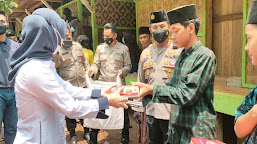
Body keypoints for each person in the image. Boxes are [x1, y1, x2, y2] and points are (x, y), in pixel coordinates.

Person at [7, 8, 128, 144]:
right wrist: (107, 102)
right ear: (48, 36)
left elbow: (66, 88)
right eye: (60, 36)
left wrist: (99, 93)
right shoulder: (35, 70)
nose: (61, 41)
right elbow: (70, 107)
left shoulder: (43, 64)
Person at [131, 4, 217, 144]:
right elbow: (170, 86)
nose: (172, 36)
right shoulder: (183, 55)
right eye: (171, 31)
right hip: (177, 127)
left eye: (175, 31)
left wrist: (151, 89)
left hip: (196, 132)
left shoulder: (204, 56)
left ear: (190, 28)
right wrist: (141, 94)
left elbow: (187, 95)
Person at [137, 10, 183, 144]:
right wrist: (139, 109)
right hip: (151, 112)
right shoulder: (146, 54)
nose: (159, 30)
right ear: (150, 30)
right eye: (155, 27)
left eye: (162, 27)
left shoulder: (178, 51)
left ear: (169, 27)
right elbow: (141, 83)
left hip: (172, 114)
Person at [88, 23, 132, 144]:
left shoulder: (123, 49)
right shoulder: (100, 48)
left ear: (115, 35)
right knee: (98, 111)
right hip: (103, 86)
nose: (106, 38)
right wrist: (93, 70)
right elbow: (96, 64)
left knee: (123, 111)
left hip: (117, 86)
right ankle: (93, 136)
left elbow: (129, 66)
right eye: (104, 35)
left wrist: (123, 71)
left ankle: (125, 136)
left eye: (108, 36)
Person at [53, 25, 91, 144]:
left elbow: (84, 60)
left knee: (84, 108)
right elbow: (55, 66)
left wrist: (89, 70)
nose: (67, 37)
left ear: (71, 34)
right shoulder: (58, 49)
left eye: (68, 35)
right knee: (70, 111)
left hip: (82, 83)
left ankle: (86, 131)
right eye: (64, 36)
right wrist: (58, 52)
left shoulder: (78, 46)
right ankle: (73, 134)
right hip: (68, 85)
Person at [234, 1, 257, 143]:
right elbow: (239, 130)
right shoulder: (255, 93)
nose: (246, 48)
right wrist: (255, 112)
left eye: (249, 38)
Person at [0, 10, 19, 144]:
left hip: (14, 92)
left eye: (2, 21)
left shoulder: (16, 46)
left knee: (12, 129)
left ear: (7, 23)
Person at [132, 26, 152, 144]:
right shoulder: (144, 53)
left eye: (145, 37)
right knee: (143, 131)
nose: (143, 40)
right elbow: (140, 80)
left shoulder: (150, 51)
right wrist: (137, 107)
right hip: (144, 99)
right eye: (141, 38)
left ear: (150, 37)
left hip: (154, 99)